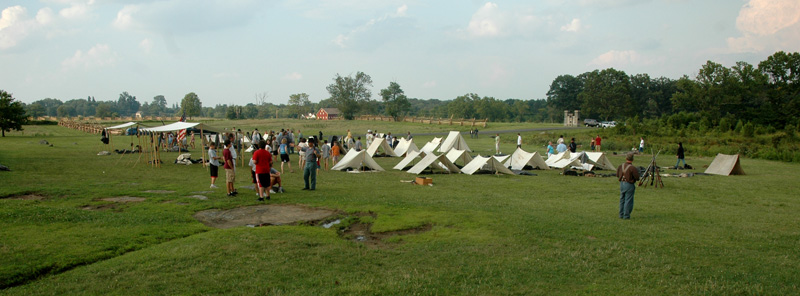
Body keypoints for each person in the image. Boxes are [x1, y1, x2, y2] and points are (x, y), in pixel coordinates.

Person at [616, 152, 640, 220]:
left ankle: (621, 214)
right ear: (632, 159)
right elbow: (637, 178)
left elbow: (617, 175)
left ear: (626, 158)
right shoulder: (632, 168)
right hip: (629, 184)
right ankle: (626, 215)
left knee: (622, 200)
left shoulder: (621, 166)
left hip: (622, 184)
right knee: (628, 200)